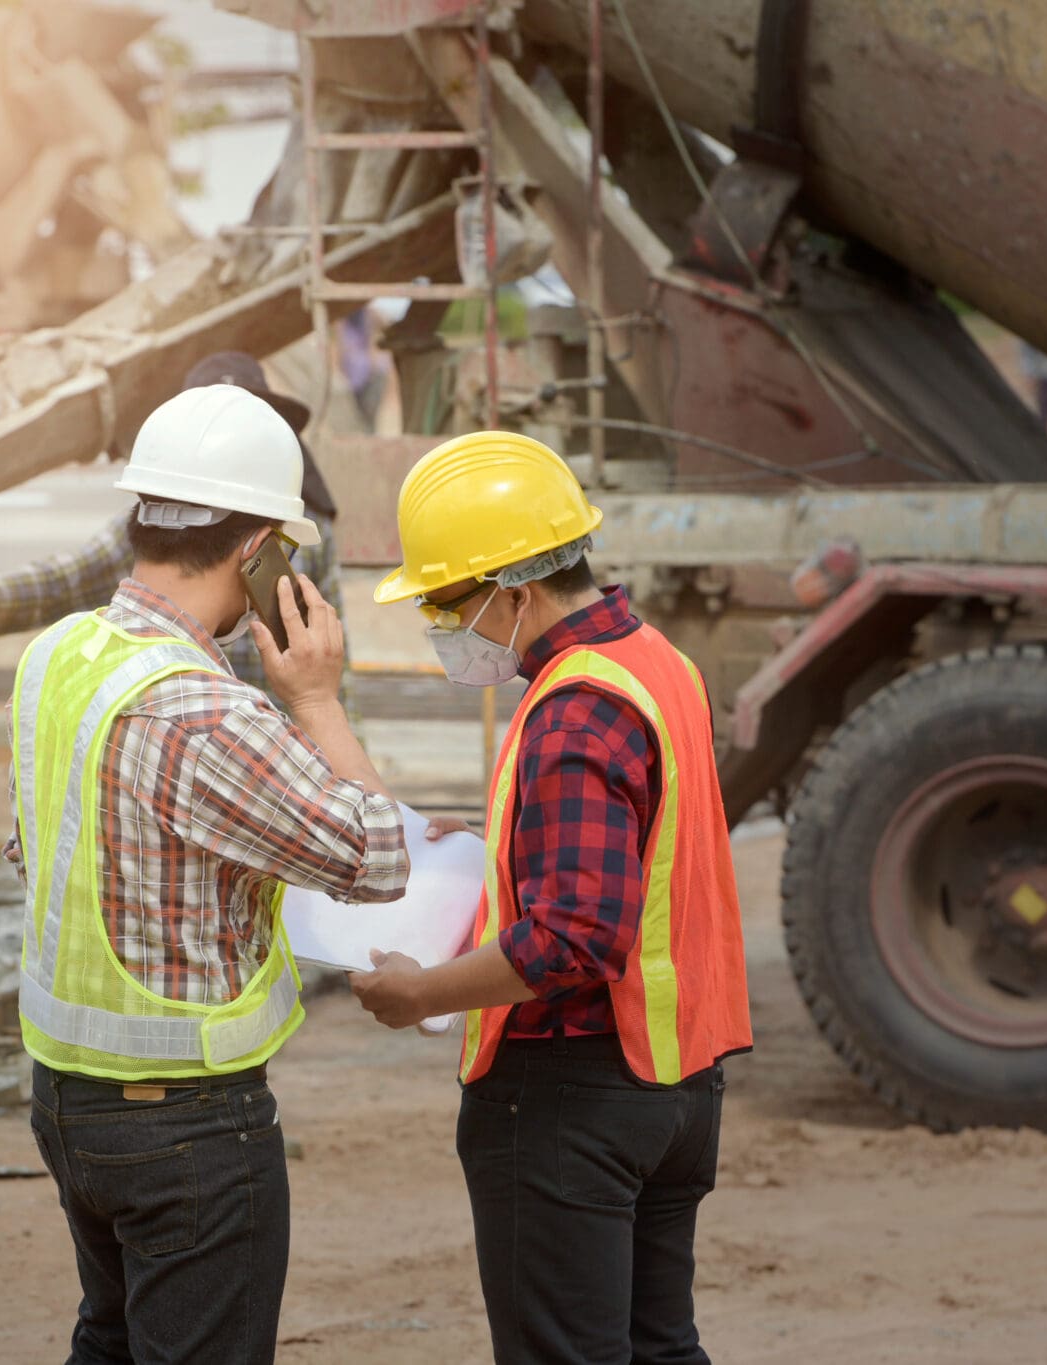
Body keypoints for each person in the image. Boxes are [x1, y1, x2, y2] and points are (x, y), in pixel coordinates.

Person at [14, 384, 409, 1364]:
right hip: (187, 1127)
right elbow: (377, 857)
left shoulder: (58, 654)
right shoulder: (203, 710)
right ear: (256, 552)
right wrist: (314, 699)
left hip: (65, 1101)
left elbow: (43, 847)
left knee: (109, 1340)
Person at [349, 431, 751, 1365]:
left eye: (446, 602)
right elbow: (644, 844)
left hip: (573, 1098)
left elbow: (574, 936)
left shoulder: (574, 706)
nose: (441, 624)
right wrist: (505, 837)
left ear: (513, 590)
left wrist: (422, 993)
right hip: (678, 1083)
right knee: (660, 1348)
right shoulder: (654, 661)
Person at [0, 352, 343, 702]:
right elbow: (66, 579)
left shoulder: (307, 533)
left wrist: (329, 727)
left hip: (277, 748)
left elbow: (328, 657)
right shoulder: (165, 521)